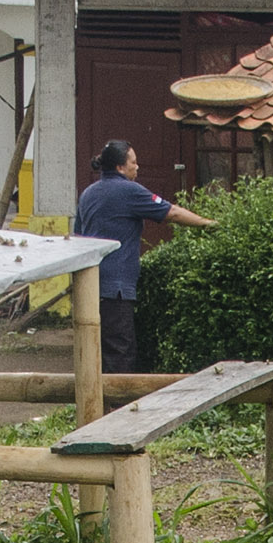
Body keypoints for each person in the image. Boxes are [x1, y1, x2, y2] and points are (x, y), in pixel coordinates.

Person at [69, 139, 216, 378]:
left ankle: (95, 407)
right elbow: (172, 212)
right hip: (115, 290)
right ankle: (117, 411)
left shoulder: (88, 193)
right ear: (120, 167)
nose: (137, 167)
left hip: (88, 285)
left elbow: (78, 235)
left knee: (94, 351)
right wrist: (209, 224)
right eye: (134, 163)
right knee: (120, 354)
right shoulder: (129, 191)